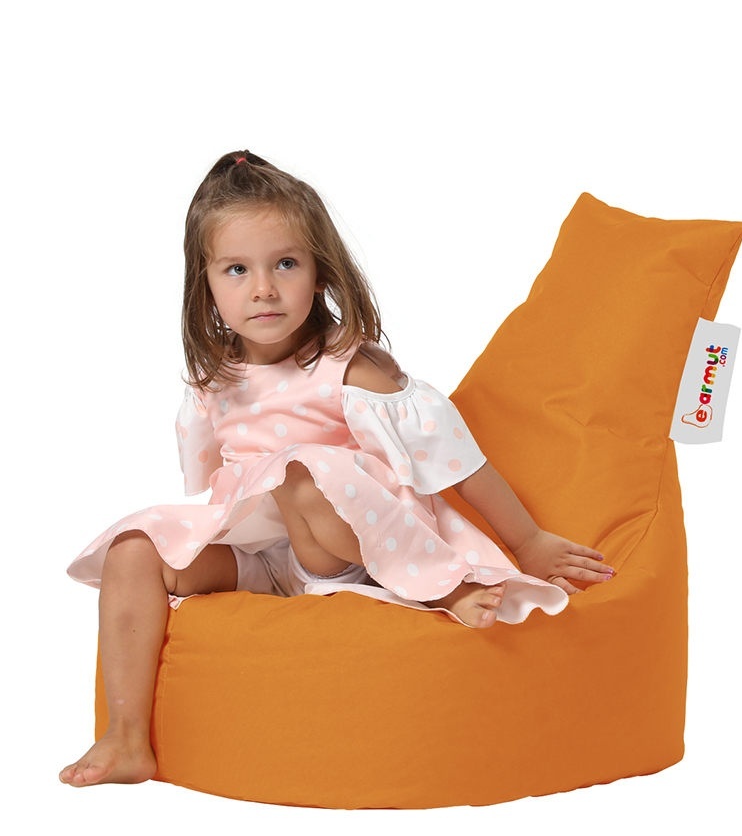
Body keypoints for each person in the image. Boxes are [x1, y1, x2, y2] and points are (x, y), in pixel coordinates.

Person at [60, 150, 613, 788]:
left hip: (354, 551)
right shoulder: (215, 379)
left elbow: (451, 460)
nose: (263, 289)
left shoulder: (350, 367)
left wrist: (528, 540)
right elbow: (216, 487)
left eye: (285, 264)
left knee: (300, 474)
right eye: (237, 269)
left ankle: (440, 589)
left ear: (320, 271)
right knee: (133, 547)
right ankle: (127, 736)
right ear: (205, 285)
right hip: (268, 560)